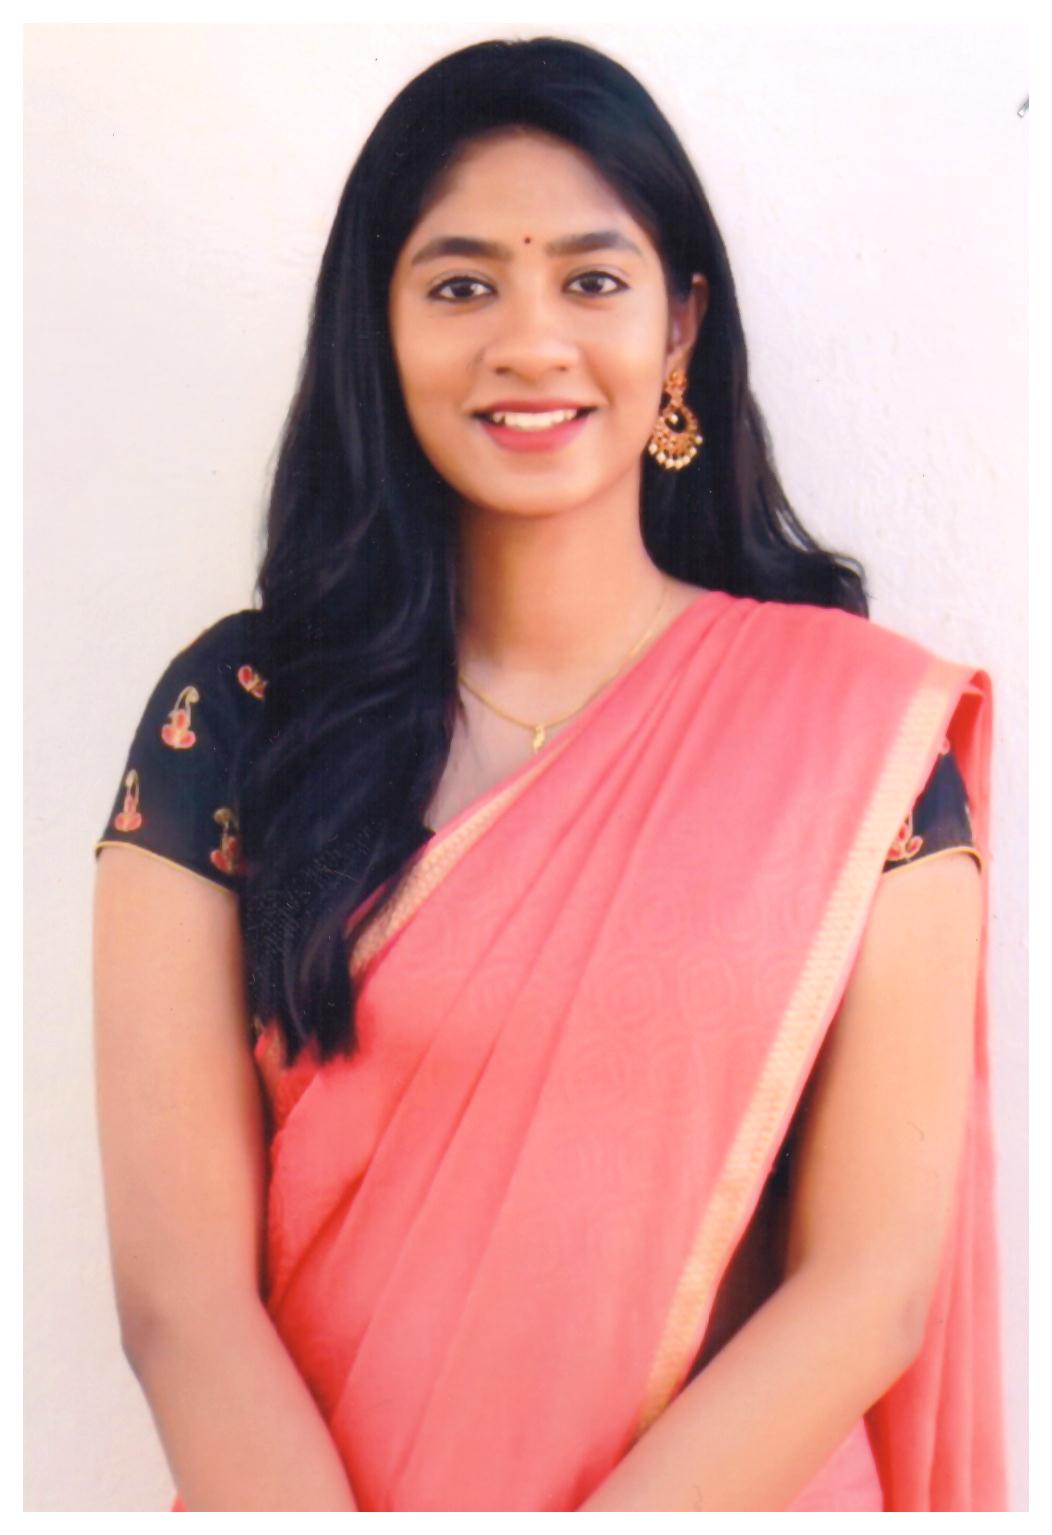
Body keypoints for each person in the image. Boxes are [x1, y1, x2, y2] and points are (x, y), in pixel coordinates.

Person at [91, 37, 1006, 1512]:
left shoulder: (854, 736)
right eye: (461, 286)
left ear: (680, 325)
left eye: (592, 280)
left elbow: (869, 1289)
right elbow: (178, 1302)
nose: (529, 343)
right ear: (377, 328)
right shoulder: (247, 715)